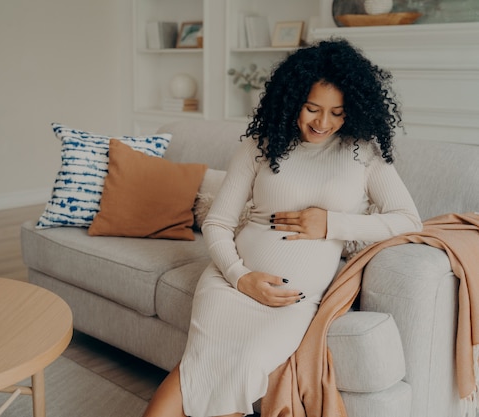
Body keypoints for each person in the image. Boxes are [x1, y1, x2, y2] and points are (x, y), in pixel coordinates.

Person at [142, 38, 423, 417]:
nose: (323, 123)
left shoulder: (363, 153)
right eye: (312, 109)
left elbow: (408, 220)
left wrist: (331, 224)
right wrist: (240, 276)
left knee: (243, 366)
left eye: (337, 113)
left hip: (292, 302)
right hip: (230, 285)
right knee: (197, 367)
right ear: (292, 100)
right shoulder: (261, 145)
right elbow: (218, 223)